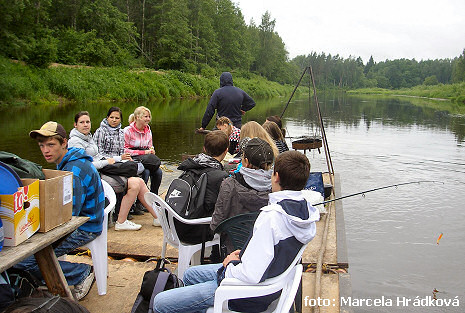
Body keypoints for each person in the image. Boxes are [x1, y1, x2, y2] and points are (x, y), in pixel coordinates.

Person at [152, 150, 320, 313]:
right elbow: (272, 253)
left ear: (276, 177)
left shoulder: (272, 217)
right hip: (267, 280)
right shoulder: (305, 213)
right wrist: (246, 254)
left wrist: (230, 265)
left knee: (160, 302)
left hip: (245, 293)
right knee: (190, 274)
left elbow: (252, 275)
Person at [16, 121, 105, 301]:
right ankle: (45, 277)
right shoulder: (66, 162)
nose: (45, 150)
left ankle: (81, 272)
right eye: (42, 145)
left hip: (86, 226)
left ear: (64, 143)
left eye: (51, 145)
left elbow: (71, 213)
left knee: (27, 259)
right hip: (78, 219)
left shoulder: (74, 170)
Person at [68, 111, 159, 231]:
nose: (85, 125)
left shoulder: (88, 137)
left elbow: (99, 155)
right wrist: (107, 162)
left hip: (102, 170)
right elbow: (85, 166)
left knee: (139, 181)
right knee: (135, 184)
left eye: (88, 122)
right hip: (94, 176)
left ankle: (158, 218)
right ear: (75, 125)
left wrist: (118, 159)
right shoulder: (75, 141)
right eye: (82, 122)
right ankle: (121, 221)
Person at [210, 138, 274, 255]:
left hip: (233, 253)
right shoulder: (277, 189)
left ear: (246, 161)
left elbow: (215, 224)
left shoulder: (229, 185)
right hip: (266, 252)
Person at [173, 130, 229, 244]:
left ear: (204, 148)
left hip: (176, 226)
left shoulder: (190, 166)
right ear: (226, 151)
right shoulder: (220, 177)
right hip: (199, 231)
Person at [124, 106, 163, 196]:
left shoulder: (148, 131)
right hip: (132, 159)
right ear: (138, 117)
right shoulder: (127, 131)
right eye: (145, 116)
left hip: (145, 159)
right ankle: (140, 201)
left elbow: (150, 146)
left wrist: (152, 150)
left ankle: (154, 196)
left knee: (158, 172)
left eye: (149, 116)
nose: (148, 119)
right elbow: (125, 150)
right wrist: (143, 152)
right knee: (145, 172)